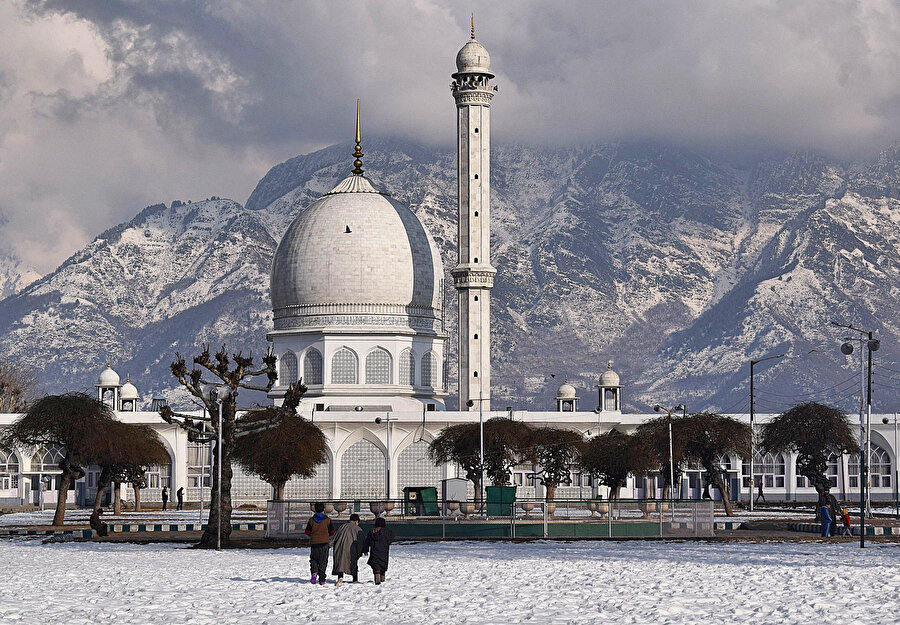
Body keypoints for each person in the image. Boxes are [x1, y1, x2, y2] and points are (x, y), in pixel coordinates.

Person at [305, 502, 335, 585]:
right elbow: (332, 532)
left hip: (314, 543)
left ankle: (314, 572)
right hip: (324, 543)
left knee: (314, 559)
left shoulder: (311, 520)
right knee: (323, 561)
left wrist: (313, 534)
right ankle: (322, 579)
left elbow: (307, 531)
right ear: (323, 509)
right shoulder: (327, 520)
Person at [331, 513, 363, 587]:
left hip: (340, 548)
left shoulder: (342, 526)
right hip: (352, 551)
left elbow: (335, 537)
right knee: (353, 564)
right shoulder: (358, 529)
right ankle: (355, 579)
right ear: (356, 521)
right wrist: (362, 551)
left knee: (341, 564)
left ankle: (340, 578)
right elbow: (361, 542)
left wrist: (328, 545)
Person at [363, 516, 395, 585]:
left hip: (375, 552)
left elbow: (367, 542)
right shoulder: (388, 532)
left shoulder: (372, 532)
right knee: (383, 566)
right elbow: (391, 539)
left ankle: (377, 579)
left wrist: (365, 549)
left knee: (376, 566)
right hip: (384, 552)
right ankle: (382, 578)